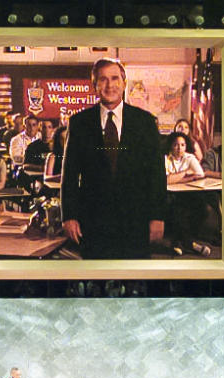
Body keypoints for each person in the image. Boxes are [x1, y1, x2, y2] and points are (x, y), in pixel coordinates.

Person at [61, 58, 167, 259]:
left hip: (136, 220)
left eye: (114, 78)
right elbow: (70, 175)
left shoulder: (146, 122)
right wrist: (69, 216)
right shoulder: (79, 123)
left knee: (135, 282)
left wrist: (158, 216)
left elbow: (157, 175)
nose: (109, 85)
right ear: (94, 86)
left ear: (124, 83)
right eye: (102, 79)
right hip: (93, 222)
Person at [163, 133, 210, 257]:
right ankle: (189, 243)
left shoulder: (190, 158)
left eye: (182, 145)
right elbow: (165, 180)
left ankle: (179, 242)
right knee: (177, 209)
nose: (179, 148)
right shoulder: (165, 158)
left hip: (187, 193)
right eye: (176, 145)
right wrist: (186, 174)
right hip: (169, 194)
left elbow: (200, 175)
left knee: (202, 208)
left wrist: (177, 178)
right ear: (171, 146)